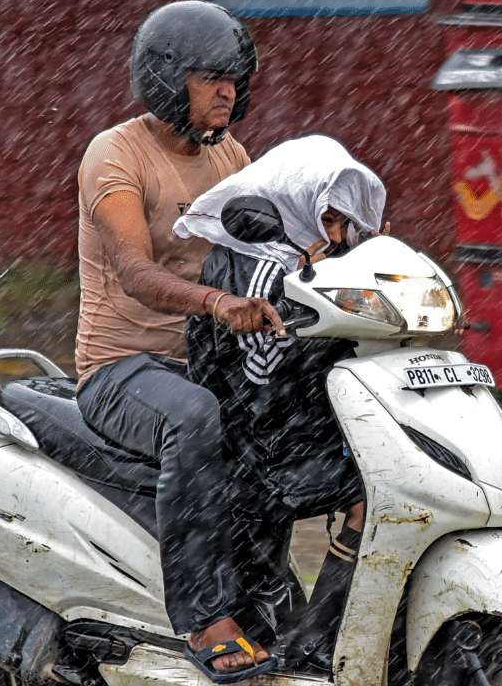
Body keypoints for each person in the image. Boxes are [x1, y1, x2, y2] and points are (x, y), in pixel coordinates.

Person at [72, 0, 285, 683]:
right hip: (121, 369)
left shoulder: (230, 155)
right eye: (211, 77)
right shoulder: (115, 155)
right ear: (166, 79)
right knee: (198, 418)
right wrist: (217, 303)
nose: (230, 89)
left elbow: (271, 240)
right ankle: (202, 614)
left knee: (294, 418)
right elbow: (135, 272)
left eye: (235, 77)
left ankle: (268, 594)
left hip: (204, 361)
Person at [176, 135, 388, 675]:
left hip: (289, 426)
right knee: (375, 495)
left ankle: (331, 632)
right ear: (294, 204)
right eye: (331, 221)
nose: (339, 236)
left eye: (345, 223)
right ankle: (317, 644)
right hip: (250, 442)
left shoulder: (310, 263)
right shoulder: (255, 269)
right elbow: (260, 377)